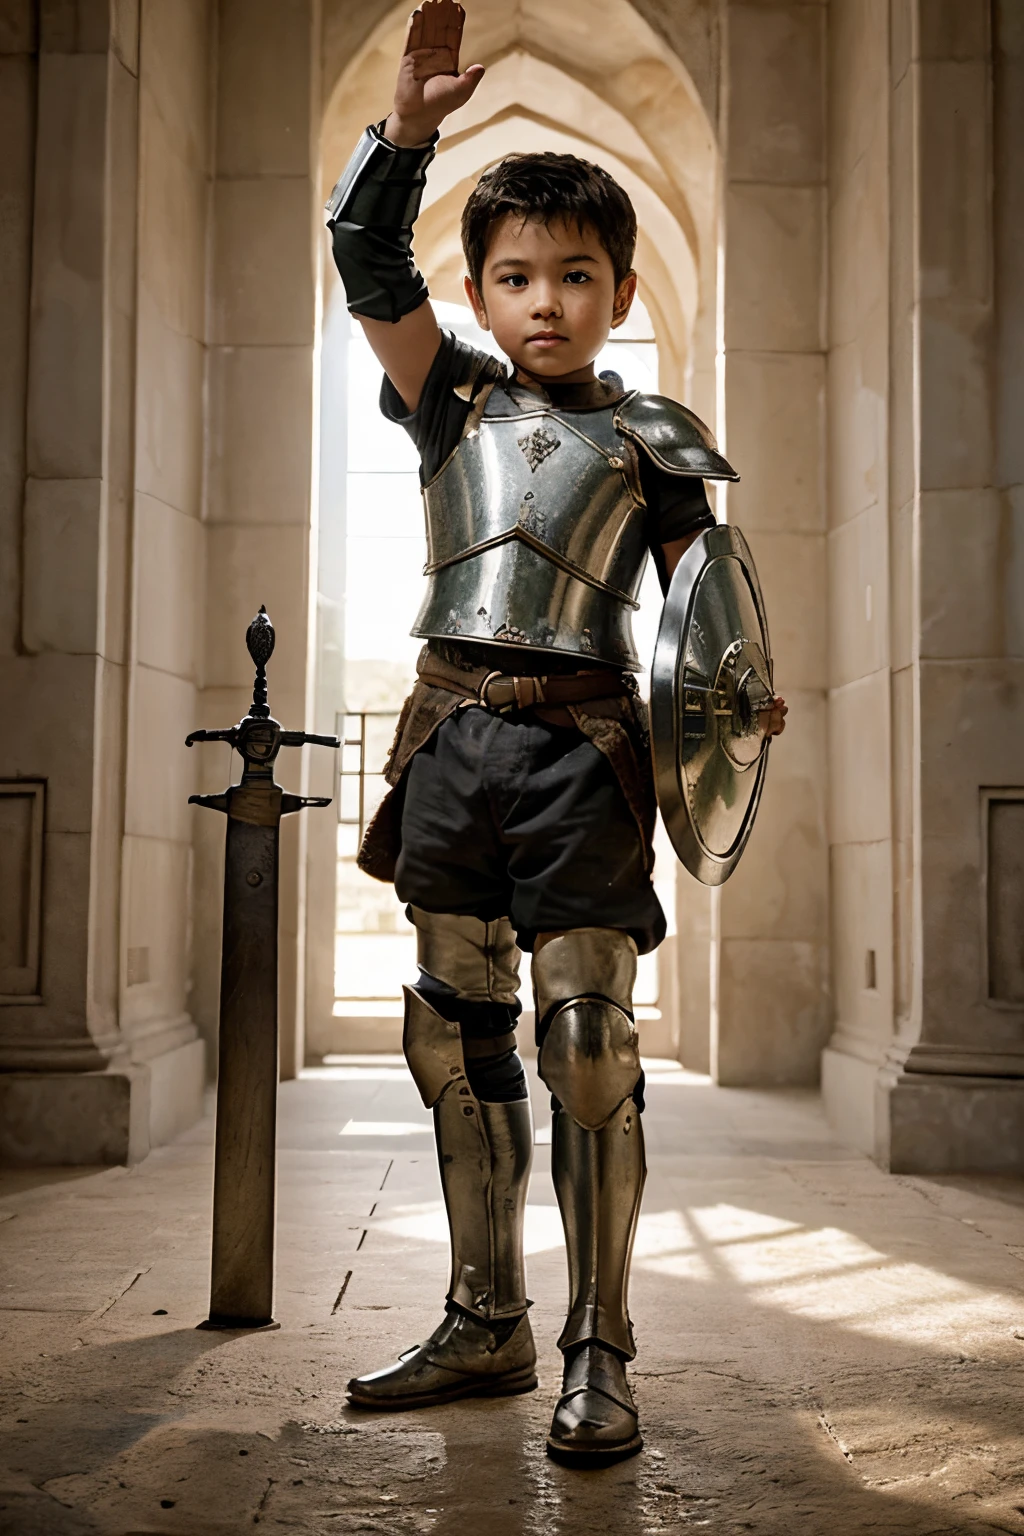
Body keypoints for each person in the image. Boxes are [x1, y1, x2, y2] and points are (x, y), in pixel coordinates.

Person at [326, 0, 786, 1465]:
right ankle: (484, 1319)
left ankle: (602, 1342)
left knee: (586, 1041)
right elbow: (364, 262)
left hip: (587, 753)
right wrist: (406, 134)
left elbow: (707, 624)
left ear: (620, 287)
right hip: (451, 741)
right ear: (483, 288)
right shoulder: (447, 402)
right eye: (515, 276)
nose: (544, 301)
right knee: (453, 1040)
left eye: (575, 276)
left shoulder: (657, 443)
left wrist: (733, 706)